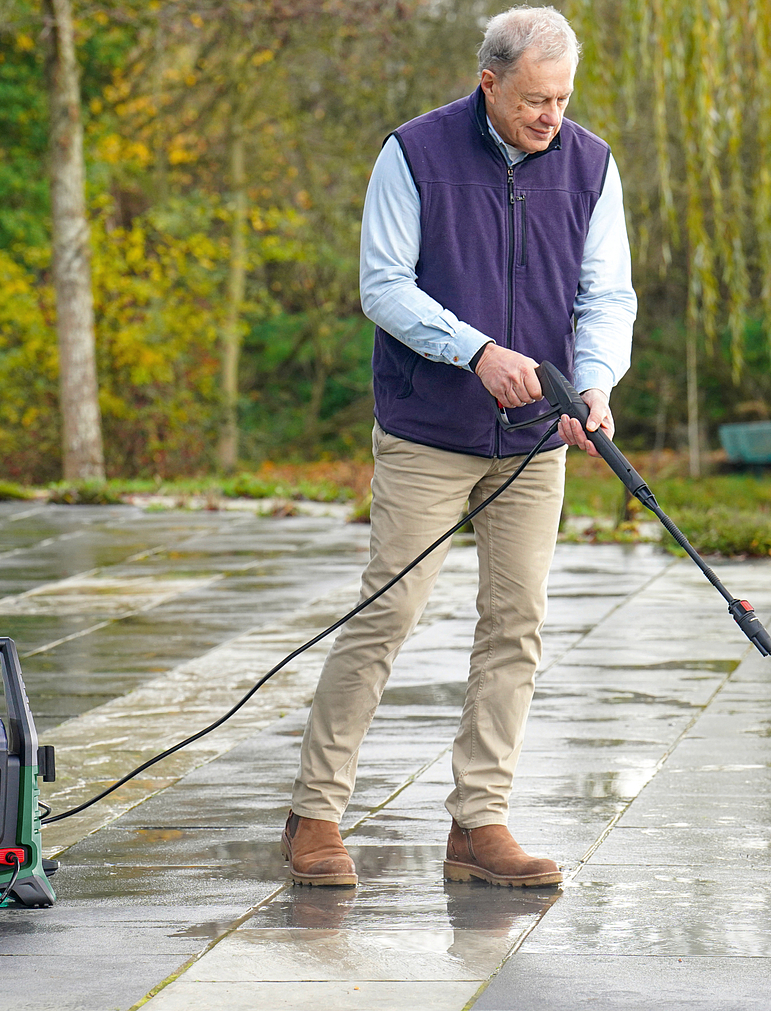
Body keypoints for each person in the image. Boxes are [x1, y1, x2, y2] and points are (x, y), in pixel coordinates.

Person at [282, 5, 635, 888]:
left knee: (516, 626)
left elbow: (607, 296)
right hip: (427, 432)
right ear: (489, 81)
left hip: (533, 442)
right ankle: (315, 811)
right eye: (532, 100)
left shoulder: (591, 166)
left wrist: (590, 386)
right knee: (386, 618)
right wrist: (474, 350)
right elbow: (383, 287)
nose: (550, 117)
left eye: (561, 99)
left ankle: (479, 824)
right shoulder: (414, 154)